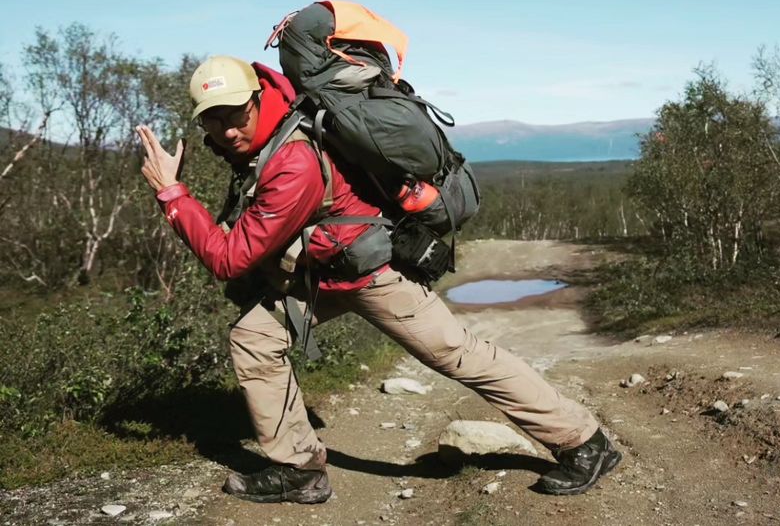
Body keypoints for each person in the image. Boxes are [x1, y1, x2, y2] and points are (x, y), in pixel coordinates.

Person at [136, 55, 620, 504]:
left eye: (235, 114)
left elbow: (228, 259)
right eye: (212, 120)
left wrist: (172, 193)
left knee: (460, 355)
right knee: (254, 337)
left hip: (373, 277)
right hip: (321, 278)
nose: (226, 130)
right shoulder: (272, 137)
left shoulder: (293, 161)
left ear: (259, 98)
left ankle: (583, 442)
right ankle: (298, 469)